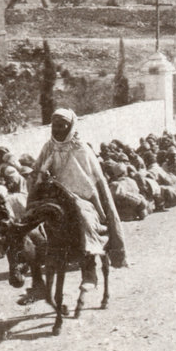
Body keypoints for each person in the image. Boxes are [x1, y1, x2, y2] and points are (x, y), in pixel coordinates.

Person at [36, 108, 128, 271]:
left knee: (82, 214)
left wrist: (75, 191)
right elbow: (38, 171)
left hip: (81, 195)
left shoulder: (81, 148)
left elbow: (89, 179)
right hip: (54, 194)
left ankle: (91, 248)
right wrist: (42, 176)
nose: (57, 130)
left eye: (62, 126)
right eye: (54, 126)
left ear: (70, 126)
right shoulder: (47, 148)